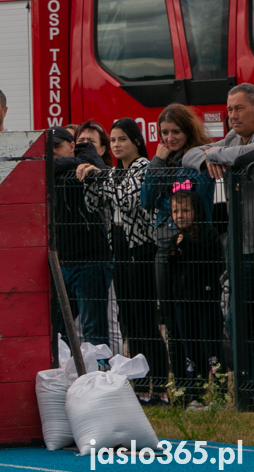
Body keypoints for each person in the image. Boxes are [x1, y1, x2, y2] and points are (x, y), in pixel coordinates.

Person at [78, 118, 168, 401]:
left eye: (122, 140)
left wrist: (99, 177)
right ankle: (140, 387)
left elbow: (130, 200)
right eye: (113, 140)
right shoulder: (113, 172)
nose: (116, 145)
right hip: (118, 251)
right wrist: (92, 179)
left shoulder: (142, 168)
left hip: (141, 251)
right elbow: (94, 203)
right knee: (128, 321)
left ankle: (161, 386)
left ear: (136, 141)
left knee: (145, 322)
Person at [183, 82, 254, 393]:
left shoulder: (238, 145)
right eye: (229, 110)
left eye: (239, 108)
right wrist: (210, 157)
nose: (231, 116)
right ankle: (248, 389)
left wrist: (218, 154)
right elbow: (189, 155)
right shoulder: (231, 139)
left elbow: (244, 155)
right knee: (235, 322)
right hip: (238, 248)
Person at [140, 103, 214, 390]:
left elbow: (191, 193)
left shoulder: (199, 159)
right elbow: (146, 200)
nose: (169, 138)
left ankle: (202, 383)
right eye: (164, 133)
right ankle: (182, 383)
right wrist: (157, 166)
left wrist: (164, 180)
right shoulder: (162, 162)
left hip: (195, 248)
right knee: (170, 321)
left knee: (196, 320)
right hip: (164, 247)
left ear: (188, 131)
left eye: (176, 132)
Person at [50, 126, 111, 347]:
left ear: (71, 145)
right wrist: (76, 163)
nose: (53, 152)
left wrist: (79, 164)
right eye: (49, 148)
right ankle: (68, 377)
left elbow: (97, 163)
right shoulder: (79, 161)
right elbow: (47, 165)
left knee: (93, 331)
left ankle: (101, 377)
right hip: (63, 261)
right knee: (57, 331)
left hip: (90, 260)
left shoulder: (89, 156)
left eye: (57, 146)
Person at [167, 186, 225, 406]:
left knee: (213, 347)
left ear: (196, 212)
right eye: (175, 211)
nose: (180, 216)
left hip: (207, 300)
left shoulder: (208, 234)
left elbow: (213, 263)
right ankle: (194, 395)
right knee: (189, 348)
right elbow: (173, 269)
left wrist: (187, 244)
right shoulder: (175, 238)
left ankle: (220, 395)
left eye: (185, 210)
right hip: (183, 301)